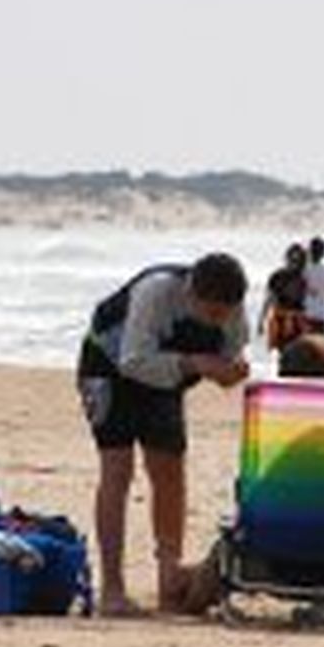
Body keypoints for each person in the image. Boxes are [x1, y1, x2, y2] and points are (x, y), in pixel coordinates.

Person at [77, 253, 250, 615]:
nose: (220, 320)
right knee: (117, 470)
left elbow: (227, 354)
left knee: (170, 472)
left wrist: (228, 372)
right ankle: (113, 589)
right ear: (192, 295)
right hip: (108, 367)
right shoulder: (156, 293)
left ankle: (168, 580)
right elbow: (133, 359)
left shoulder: (234, 310)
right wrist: (194, 363)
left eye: (227, 313)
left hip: (165, 378)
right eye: (213, 313)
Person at [257, 243, 309, 374]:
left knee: (293, 352)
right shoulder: (280, 276)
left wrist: (262, 319)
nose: (294, 262)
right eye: (292, 259)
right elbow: (269, 299)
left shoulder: (304, 277)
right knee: (284, 352)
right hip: (283, 317)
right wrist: (261, 320)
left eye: (297, 260)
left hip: (295, 318)